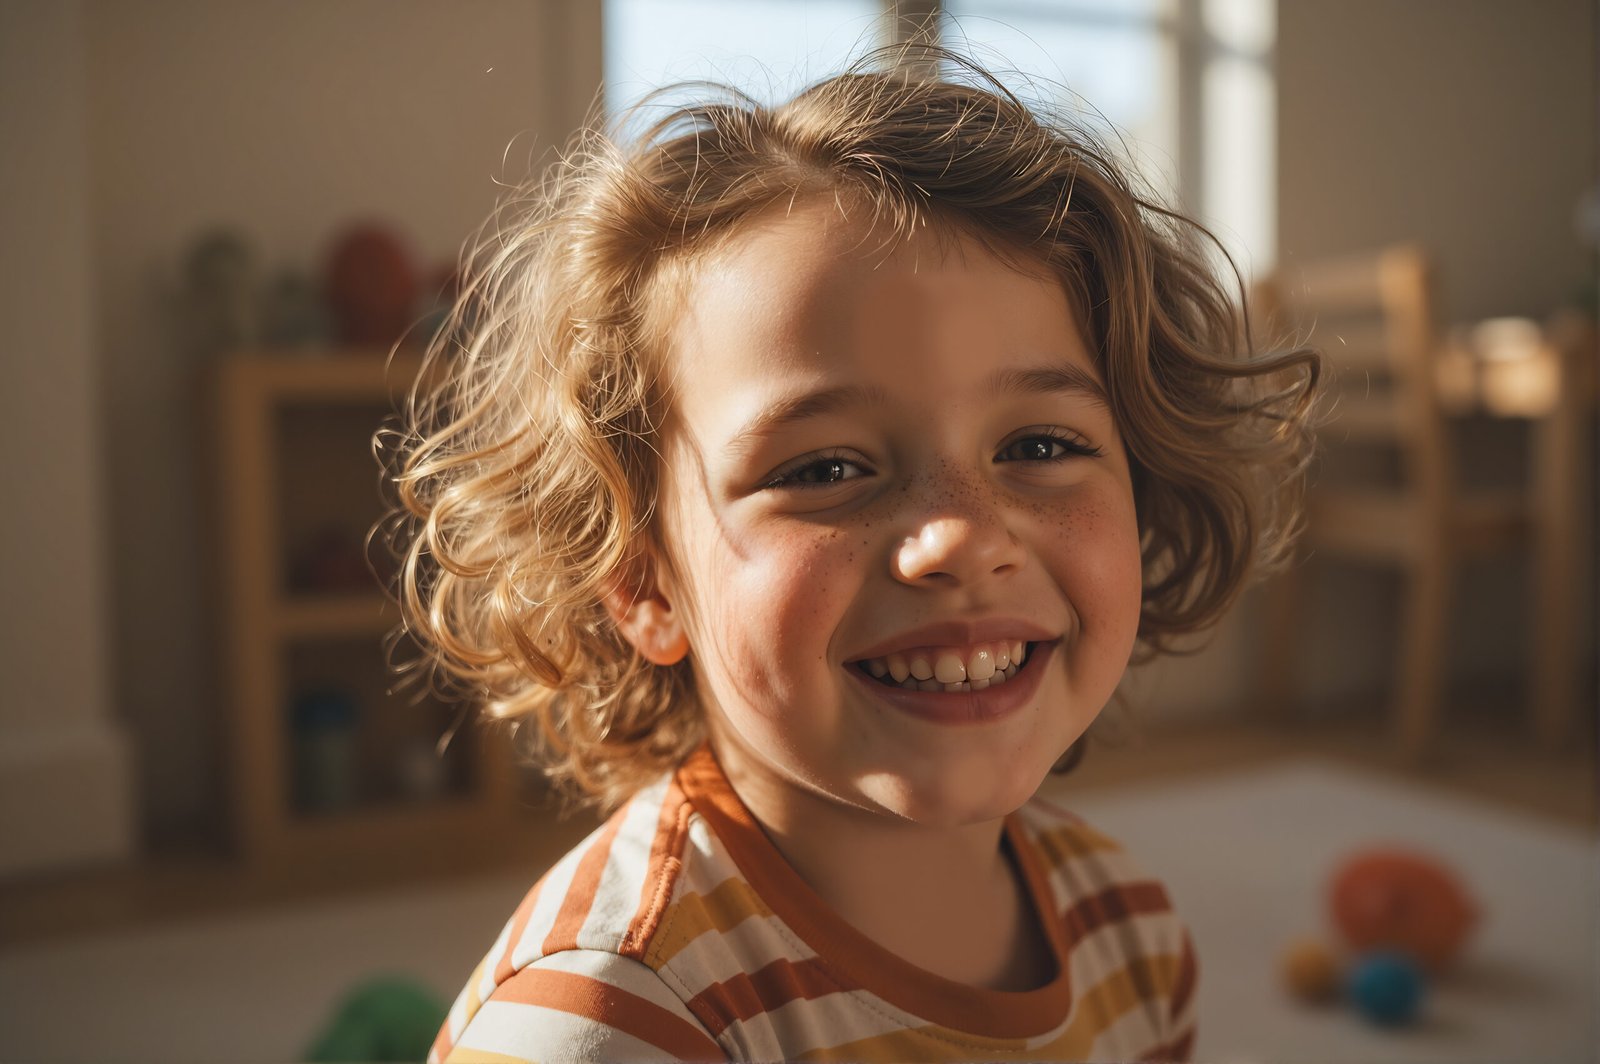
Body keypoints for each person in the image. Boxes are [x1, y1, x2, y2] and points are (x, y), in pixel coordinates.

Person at [381, 41, 1319, 1064]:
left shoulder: (1128, 928)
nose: (962, 535)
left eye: (1040, 445)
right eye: (826, 468)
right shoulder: (606, 1023)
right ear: (645, 581)